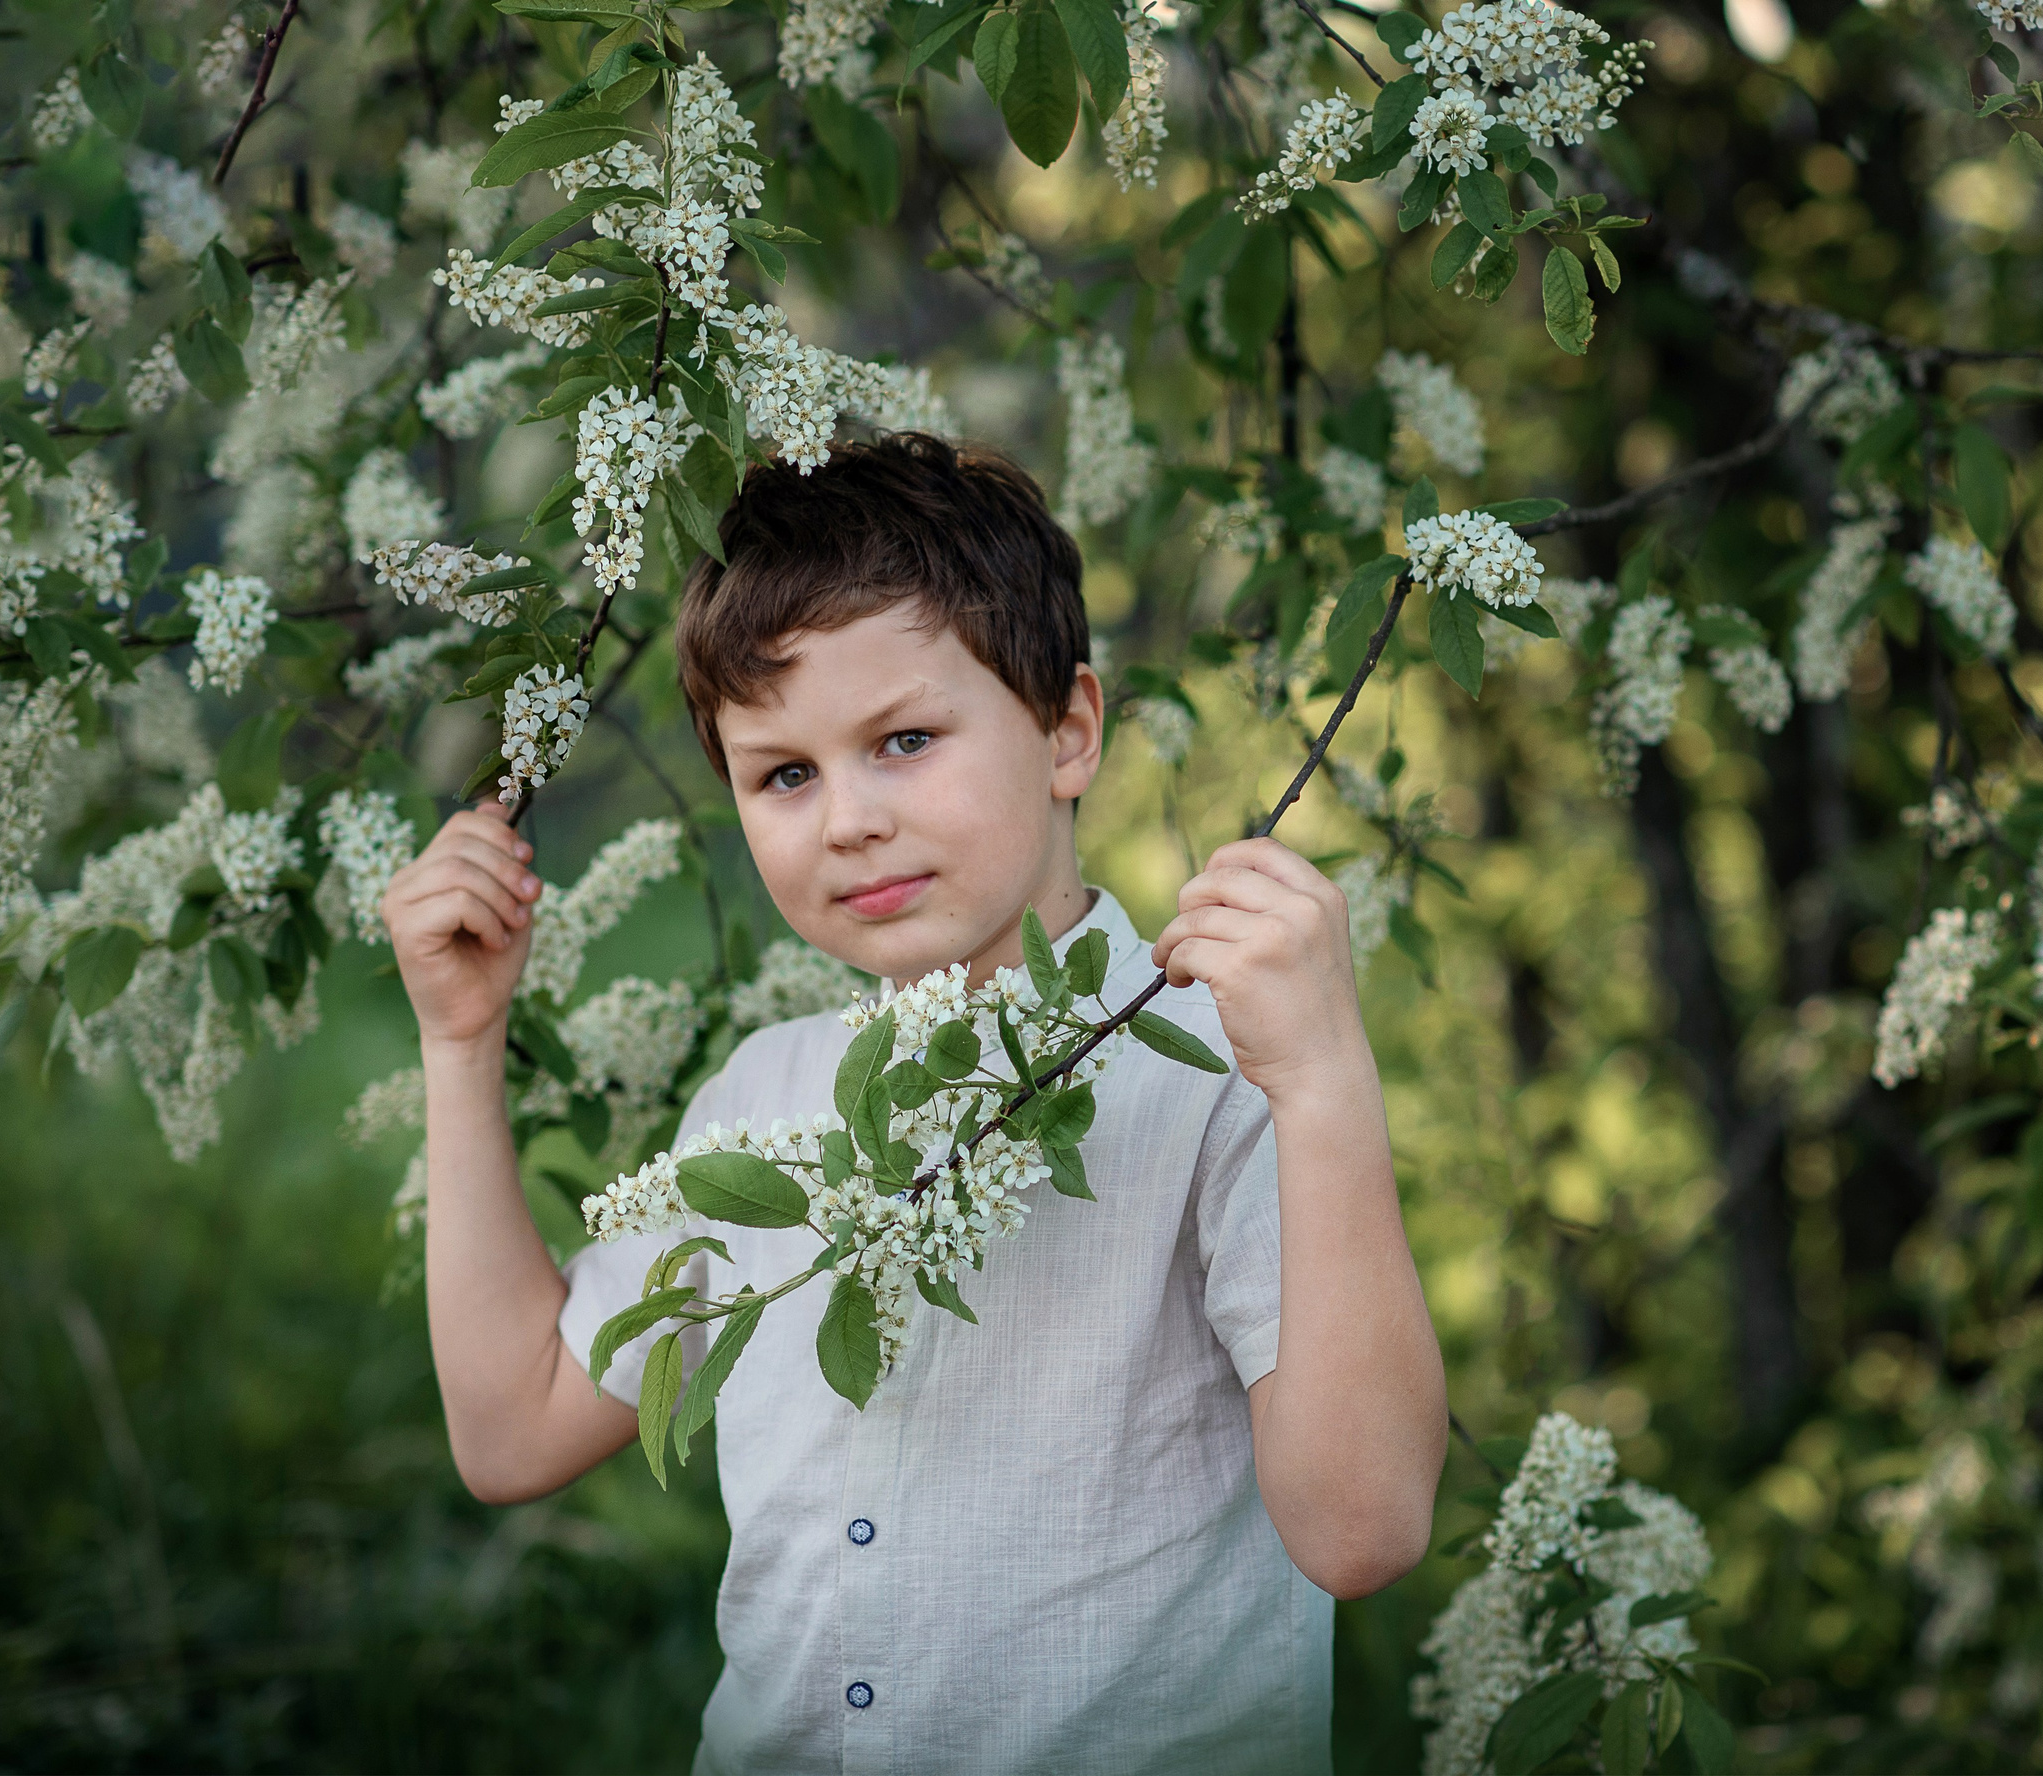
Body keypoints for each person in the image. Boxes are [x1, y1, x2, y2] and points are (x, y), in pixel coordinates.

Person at [380, 432, 1446, 1775]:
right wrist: (461, 1044)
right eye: (785, 774)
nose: (847, 821)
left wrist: (1327, 1081)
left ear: (1067, 731)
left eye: (905, 741)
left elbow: (1363, 1531)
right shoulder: (764, 1101)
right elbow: (515, 1424)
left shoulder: (1223, 1069)